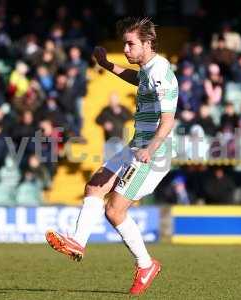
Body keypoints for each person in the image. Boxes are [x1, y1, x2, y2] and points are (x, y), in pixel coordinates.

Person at [46, 17, 178, 295]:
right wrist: (107, 65)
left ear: (148, 43)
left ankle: (146, 265)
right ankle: (77, 242)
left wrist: (149, 150)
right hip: (136, 145)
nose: (126, 50)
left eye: (131, 44)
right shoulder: (147, 70)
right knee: (94, 186)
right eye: (124, 44)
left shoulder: (160, 71)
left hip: (153, 152)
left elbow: (168, 120)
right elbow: (136, 79)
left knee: (114, 210)